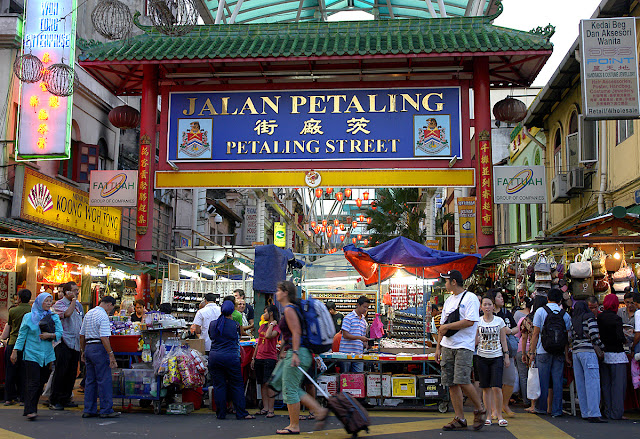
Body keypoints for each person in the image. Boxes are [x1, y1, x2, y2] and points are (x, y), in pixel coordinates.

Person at [274, 280, 327, 435]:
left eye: (278, 290)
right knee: (292, 388)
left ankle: (294, 425)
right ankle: (318, 410)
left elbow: (296, 332)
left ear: (285, 292)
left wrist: (294, 353)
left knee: (290, 389)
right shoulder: (292, 309)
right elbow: (290, 334)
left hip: (298, 352)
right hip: (299, 351)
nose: (276, 293)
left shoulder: (289, 309)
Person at [435, 270, 486, 431]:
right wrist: (438, 348)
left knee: (462, 380)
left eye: (447, 281)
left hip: (464, 345)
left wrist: (447, 326)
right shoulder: (449, 300)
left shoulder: (470, 298)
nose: (445, 284)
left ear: (454, 282)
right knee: (451, 383)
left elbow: (470, 321)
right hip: (448, 345)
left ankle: (480, 409)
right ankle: (460, 418)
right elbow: (441, 329)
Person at [10, 292, 62, 420]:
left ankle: (33, 405)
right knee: (32, 382)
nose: (49, 303)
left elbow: (60, 333)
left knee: (41, 382)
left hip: (47, 355)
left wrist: (50, 336)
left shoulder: (53, 317)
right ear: (39, 302)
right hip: (31, 353)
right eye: (46, 301)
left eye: (50, 301)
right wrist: (15, 351)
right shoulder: (28, 317)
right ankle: (30, 409)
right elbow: (22, 335)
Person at [208, 300, 255, 420]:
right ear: (232, 311)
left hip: (215, 357)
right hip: (231, 357)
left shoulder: (213, 324)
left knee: (219, 385)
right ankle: (240, 413)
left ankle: (221, 413)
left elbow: (212, 337)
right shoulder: (235, 325)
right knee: (236, 385)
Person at [529, 288, 572, 417]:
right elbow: (566, 338)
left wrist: (532, 352)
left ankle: (541, 408)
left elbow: (535, 334)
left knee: (543, 380)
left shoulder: (540, 312)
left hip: (543, 350)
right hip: (559, 352)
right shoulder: (565, 314)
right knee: (557, 380)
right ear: (560, 300)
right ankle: (557, 409)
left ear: (548, 298)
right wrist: (566, 355)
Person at [79, 296, 120, 418]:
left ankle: (89, 409)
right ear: (109, 305)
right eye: (111, 308)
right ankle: (106, 409)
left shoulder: (89, 313)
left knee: (90, 380)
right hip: (99, 348)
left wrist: (83, 350)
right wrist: (111, 354)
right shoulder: (103, 316)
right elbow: (104, 337)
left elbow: (82, 335)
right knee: (104, 380)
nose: (110, 310)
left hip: (89, 348)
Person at [49, 281, 84, 410]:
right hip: (63, 341)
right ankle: (54, 400)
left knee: (71, 372)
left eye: (77, 290)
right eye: (74, 290)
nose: (77, 292)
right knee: (60, 372)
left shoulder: (78, 306)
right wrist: (73, 301)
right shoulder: (59, 304)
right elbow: (67, 314)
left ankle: (65, 398)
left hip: (75, 342)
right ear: (67, 292)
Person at [476, 294, 509, 427]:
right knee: (485, 388)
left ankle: (499, 415)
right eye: (485, 304)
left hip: (497, 356)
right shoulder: (478, 321)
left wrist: (506, 355)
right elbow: (475, 339)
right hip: (481, 356)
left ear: (493, 306)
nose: (487, 307)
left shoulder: (499, 321)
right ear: (481, 307)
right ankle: (488, 415)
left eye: (490, 304)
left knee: (497, 387)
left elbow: (503, 340)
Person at [570, 301, 606, 423]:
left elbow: (570, 337)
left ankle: (585, 412)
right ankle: (594, 413)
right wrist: (602, 347)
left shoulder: (573, 319)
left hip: (576, 353)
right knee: (592, 382)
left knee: (580, 384)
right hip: (588, 352)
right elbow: (594, 334)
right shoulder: (589, 318)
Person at [597, 293, 628, 420]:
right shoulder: (616, 319)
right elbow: (620, 337)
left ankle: (607, 411)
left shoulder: (599, 318)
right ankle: (617, 413)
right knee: (618, 386)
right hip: (617, 354)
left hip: (604, 354)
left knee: (606, 385)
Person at [2, 288, 32, 406]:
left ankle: (9, 398)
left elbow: (9, 327)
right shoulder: (32, 310)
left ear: (19, 298)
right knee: (24, 372)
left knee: (10, 371)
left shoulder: (13, 311)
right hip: (27, 344)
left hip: (13, 343)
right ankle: (23, 398)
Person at [491, 289, 518, 417]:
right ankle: (493, 409)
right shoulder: (487, 314)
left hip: (507, 352)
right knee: (493, 382)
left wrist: (510, 331)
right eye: (499, 297)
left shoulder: (507, 313)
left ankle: (504, 404)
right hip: (491, 351)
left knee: (510, 379)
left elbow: (516, 327)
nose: (502, 299)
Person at [251, 305, 281, 418]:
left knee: (269, 384)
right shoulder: (262, 326)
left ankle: (271, 409)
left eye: (265, 312)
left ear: (271, 313)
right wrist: (254, 357)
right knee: (262, 384)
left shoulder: (276, 327)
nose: (263, 315)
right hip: (259, 357)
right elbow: (259, 342)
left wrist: (272, 324)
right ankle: (265, 407)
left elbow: (268, 336)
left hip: (270, 358)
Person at [338, 295, 371, 373]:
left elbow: (362, 337)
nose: (366, 309)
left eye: (367, 307)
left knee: (358, 377)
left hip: (358, 354)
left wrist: (366, 344)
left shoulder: (363, 321)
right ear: (358, 305)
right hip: (346, 354)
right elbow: (345, 335)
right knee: (345, 378)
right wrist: (360, 338)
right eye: (364, 307)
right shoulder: (348, 318)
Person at [514, 297, 532, 409]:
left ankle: (526, 400)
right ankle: (534, 400)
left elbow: (519, 336)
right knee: (534, 376)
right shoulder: (540, 318)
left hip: (521, 349)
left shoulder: (523, 320)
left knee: (523, 376)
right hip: (534, 350)